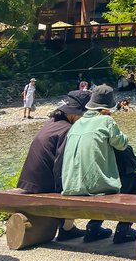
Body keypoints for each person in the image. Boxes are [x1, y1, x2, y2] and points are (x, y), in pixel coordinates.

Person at [61, 84, 136, 245]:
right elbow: (122, 144)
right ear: (108, 107)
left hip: (70, 188)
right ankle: (124, 230)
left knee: (98, 181)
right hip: (94, 190)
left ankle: (94, 228)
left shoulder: (76, 124)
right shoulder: (106, 120)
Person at [17, 89, 93, 240]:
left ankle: (67, 227)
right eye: (84, 114)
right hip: (43, 185)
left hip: (30, 181)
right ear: (75, 113)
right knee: (77, 187)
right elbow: (61, 165)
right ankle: (67, 229)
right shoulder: (67, 130)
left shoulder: (53, 122)